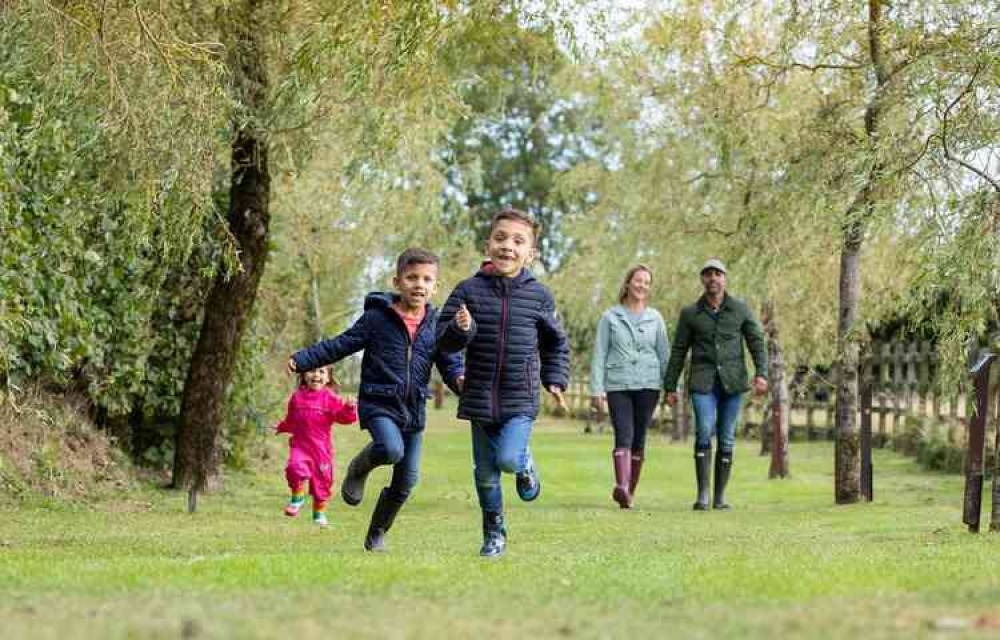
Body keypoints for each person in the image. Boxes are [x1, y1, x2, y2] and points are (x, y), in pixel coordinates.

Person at [287, 248, 464, 551]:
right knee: (391, 449)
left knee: (406, 480)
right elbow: (341, 344)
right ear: (397, 281)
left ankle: (377, 533)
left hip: (413, 411)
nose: (419, 284)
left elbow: (450, 362)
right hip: (379, 403)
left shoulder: (436, 325)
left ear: (435, 286)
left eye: (426, 279)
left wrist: (461, 381)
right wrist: (302, 360)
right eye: (412, 278)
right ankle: (359, 467)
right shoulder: (376, 319)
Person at [436, 207, 570, 558]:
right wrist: (459, 332)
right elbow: (442, 342)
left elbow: (555, 342)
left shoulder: (539, 296)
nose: (507, 246)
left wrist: (555, 378)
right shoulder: (468, 290)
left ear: (531, 254)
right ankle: (494, 534)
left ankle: (525, 464)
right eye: (500, 238)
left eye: (517, 241)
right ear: (487, 245)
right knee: (485, 474)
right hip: (478, 394)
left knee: (508, 458)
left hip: (519, 396)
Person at [663, 259, 768, 511]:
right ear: (703, 279)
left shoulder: (740, 310)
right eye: (708, 274)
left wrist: (761, 373)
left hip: (733, 383)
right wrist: (670, 386)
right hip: (702, 382)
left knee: (727, 438)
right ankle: (703, 495)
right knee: (704, 429)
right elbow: (679, 350)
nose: (713, 278)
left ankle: (720, 497)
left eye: (718, 274)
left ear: (725, 278)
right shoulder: (690, 314)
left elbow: (756, 342)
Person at [590, 264, 669, 509]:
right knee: (623, 433)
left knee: (640, 438)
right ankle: (622, 486)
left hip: (648, 384)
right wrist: (596, 389)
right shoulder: (610, 317)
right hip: (618, 384)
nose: (642, 285)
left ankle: (628, 494)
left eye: (647, 282)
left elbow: (664, 354)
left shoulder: (655, 318)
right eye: (638, 280)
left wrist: (671, 387)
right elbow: (599, 353)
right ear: (628, 283)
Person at [275, 365, 358, 527]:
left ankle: (319, 515)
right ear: (304, 375)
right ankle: (297, 498)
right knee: (294, 468)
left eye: (321, 372)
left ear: (328, 378)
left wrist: (349, 408)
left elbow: (344, 418)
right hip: (300, 446)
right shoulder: (297, 397)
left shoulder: (329, 398)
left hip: (321, 451)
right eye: (312, 371)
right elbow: (291, 420)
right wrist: (282, 427)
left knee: (322, 482)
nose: (316, 375)